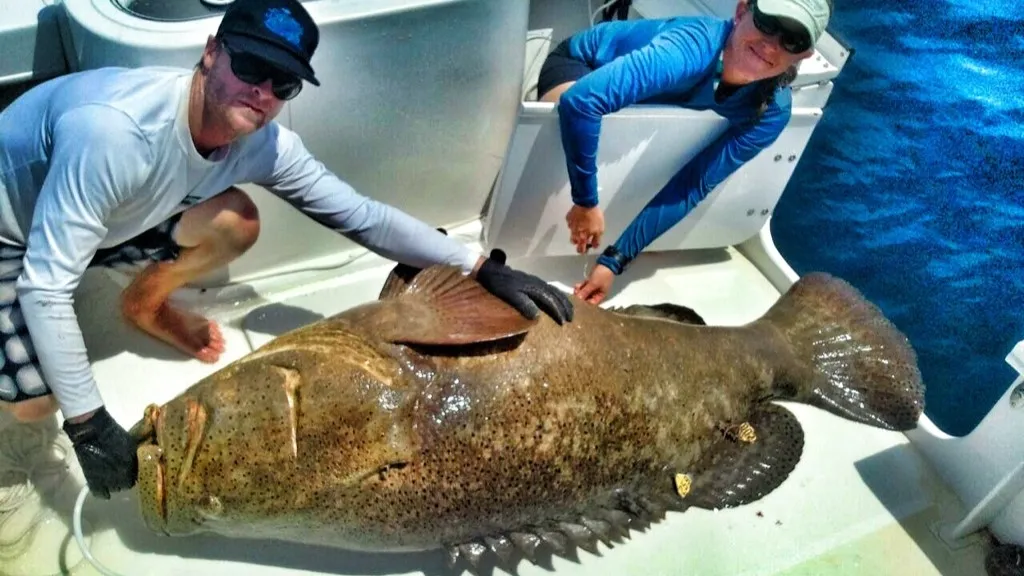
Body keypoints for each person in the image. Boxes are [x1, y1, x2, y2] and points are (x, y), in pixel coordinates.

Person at [0, 0, 572, 499]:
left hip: (110, 220)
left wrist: (478, 265)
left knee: (237, 223)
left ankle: (143, 304)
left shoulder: (264, 142)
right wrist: (89, 424)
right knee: (36, 408)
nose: (263, 93)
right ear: (210, 53)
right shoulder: (115, 134)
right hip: (14, 235)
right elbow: (45, 286)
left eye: (284, 83)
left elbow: (361, 215)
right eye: (251, 66)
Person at [537, 0, 831, 303]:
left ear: (804, 55)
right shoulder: (691, 46)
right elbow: (581, 102)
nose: (771, 46)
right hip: (584, 66)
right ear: (742, 11)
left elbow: (695, 183)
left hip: (645, 104)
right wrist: (585, 202)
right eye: (768, 24)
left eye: (792, 40)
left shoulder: (772, 111)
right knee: (565, 131)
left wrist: (615, 260)